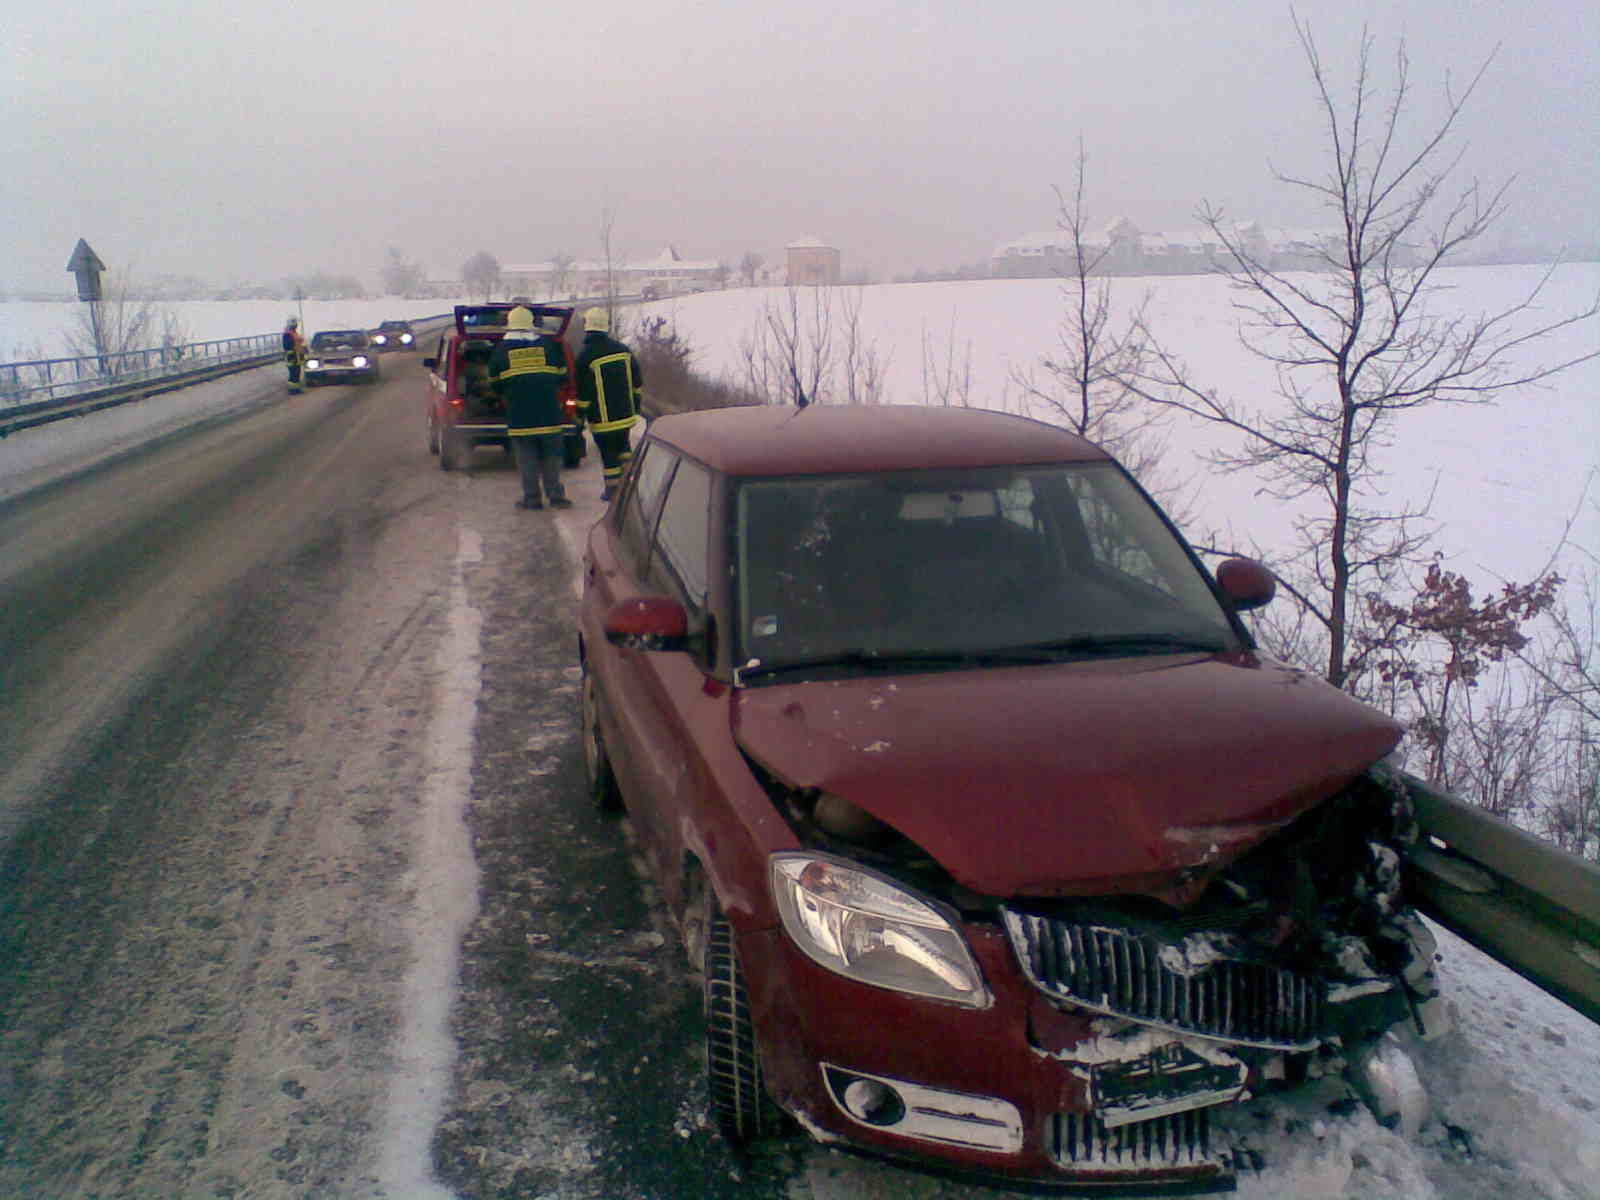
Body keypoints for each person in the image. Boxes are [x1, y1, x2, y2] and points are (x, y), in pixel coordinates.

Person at [490, 307, 571, 510]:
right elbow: (563, 375)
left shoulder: (501, 350)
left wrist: (507, 393)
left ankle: (532, 499)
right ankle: (556, 497)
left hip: (520, 418)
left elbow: (494, 383)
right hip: (549, 415)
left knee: (527, 460)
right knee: (552, 458)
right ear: (531, 323)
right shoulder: (548, 346)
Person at [572, 307, 643, 501]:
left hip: (603, 419)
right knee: (624, 448)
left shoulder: (585, 356)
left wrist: (579, 417)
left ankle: (612, 490)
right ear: (606, 327)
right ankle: (631, 485)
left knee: (609, 454)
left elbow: (583, 394)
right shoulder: (624, 350)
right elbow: (637, 383)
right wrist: (635, 407)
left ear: (587, 328)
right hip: (626, 415)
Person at [282, 316, 306, 393]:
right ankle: (292, 390)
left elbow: (299, 344)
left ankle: (296, 389)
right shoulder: (287, 334)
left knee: (297, 373)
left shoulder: (294, 333)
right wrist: (294, 354)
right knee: (293, 374)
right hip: (292, 358)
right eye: (294, 324)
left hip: (297, 357)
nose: (296, 325)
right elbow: (288, 347)